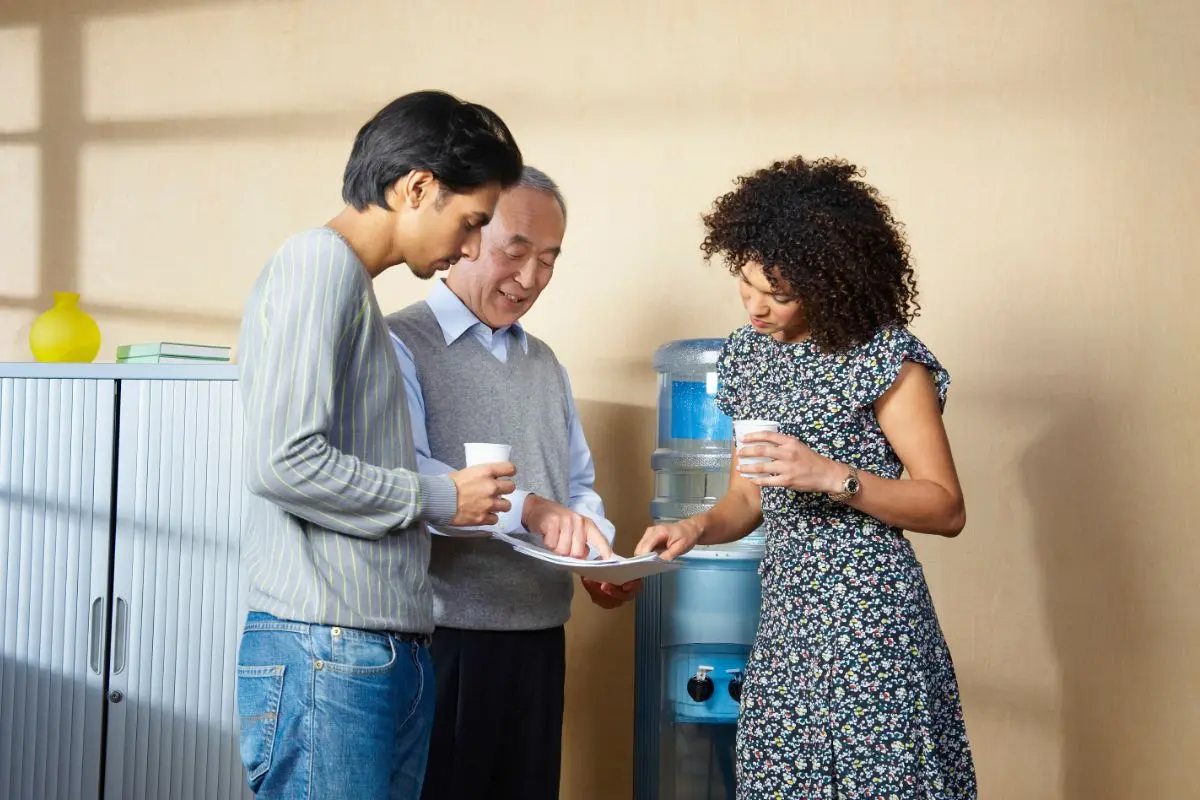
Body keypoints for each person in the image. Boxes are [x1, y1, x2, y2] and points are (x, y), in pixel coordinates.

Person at [636, 156, 977, 799]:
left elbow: (946, 506)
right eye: (747, 282)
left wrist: (828, 475)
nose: (757, 306)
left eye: (781, 293)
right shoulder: (747, 355)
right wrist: (693, 527)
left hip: (870, 622)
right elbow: (745, 497)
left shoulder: (887, 360)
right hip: (787, 622)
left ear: (833, 281)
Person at [235, 90, 525, 800]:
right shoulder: (318, 264)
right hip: (328, 648)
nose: (468, 248)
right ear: (417, 187)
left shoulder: (354, 289)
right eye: (470, 223)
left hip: (374, 647)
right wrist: (439, 495)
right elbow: (282, 461)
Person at [385, 166, 639, 800]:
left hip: (537, 637)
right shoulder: (398, 343)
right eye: (516, 251)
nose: (531, 278)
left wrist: (596, 547)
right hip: (441, 641)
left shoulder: (545, 362)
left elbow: (576, 481)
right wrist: (534, 510)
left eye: (549, 260)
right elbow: (408, 478)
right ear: (468, 237)